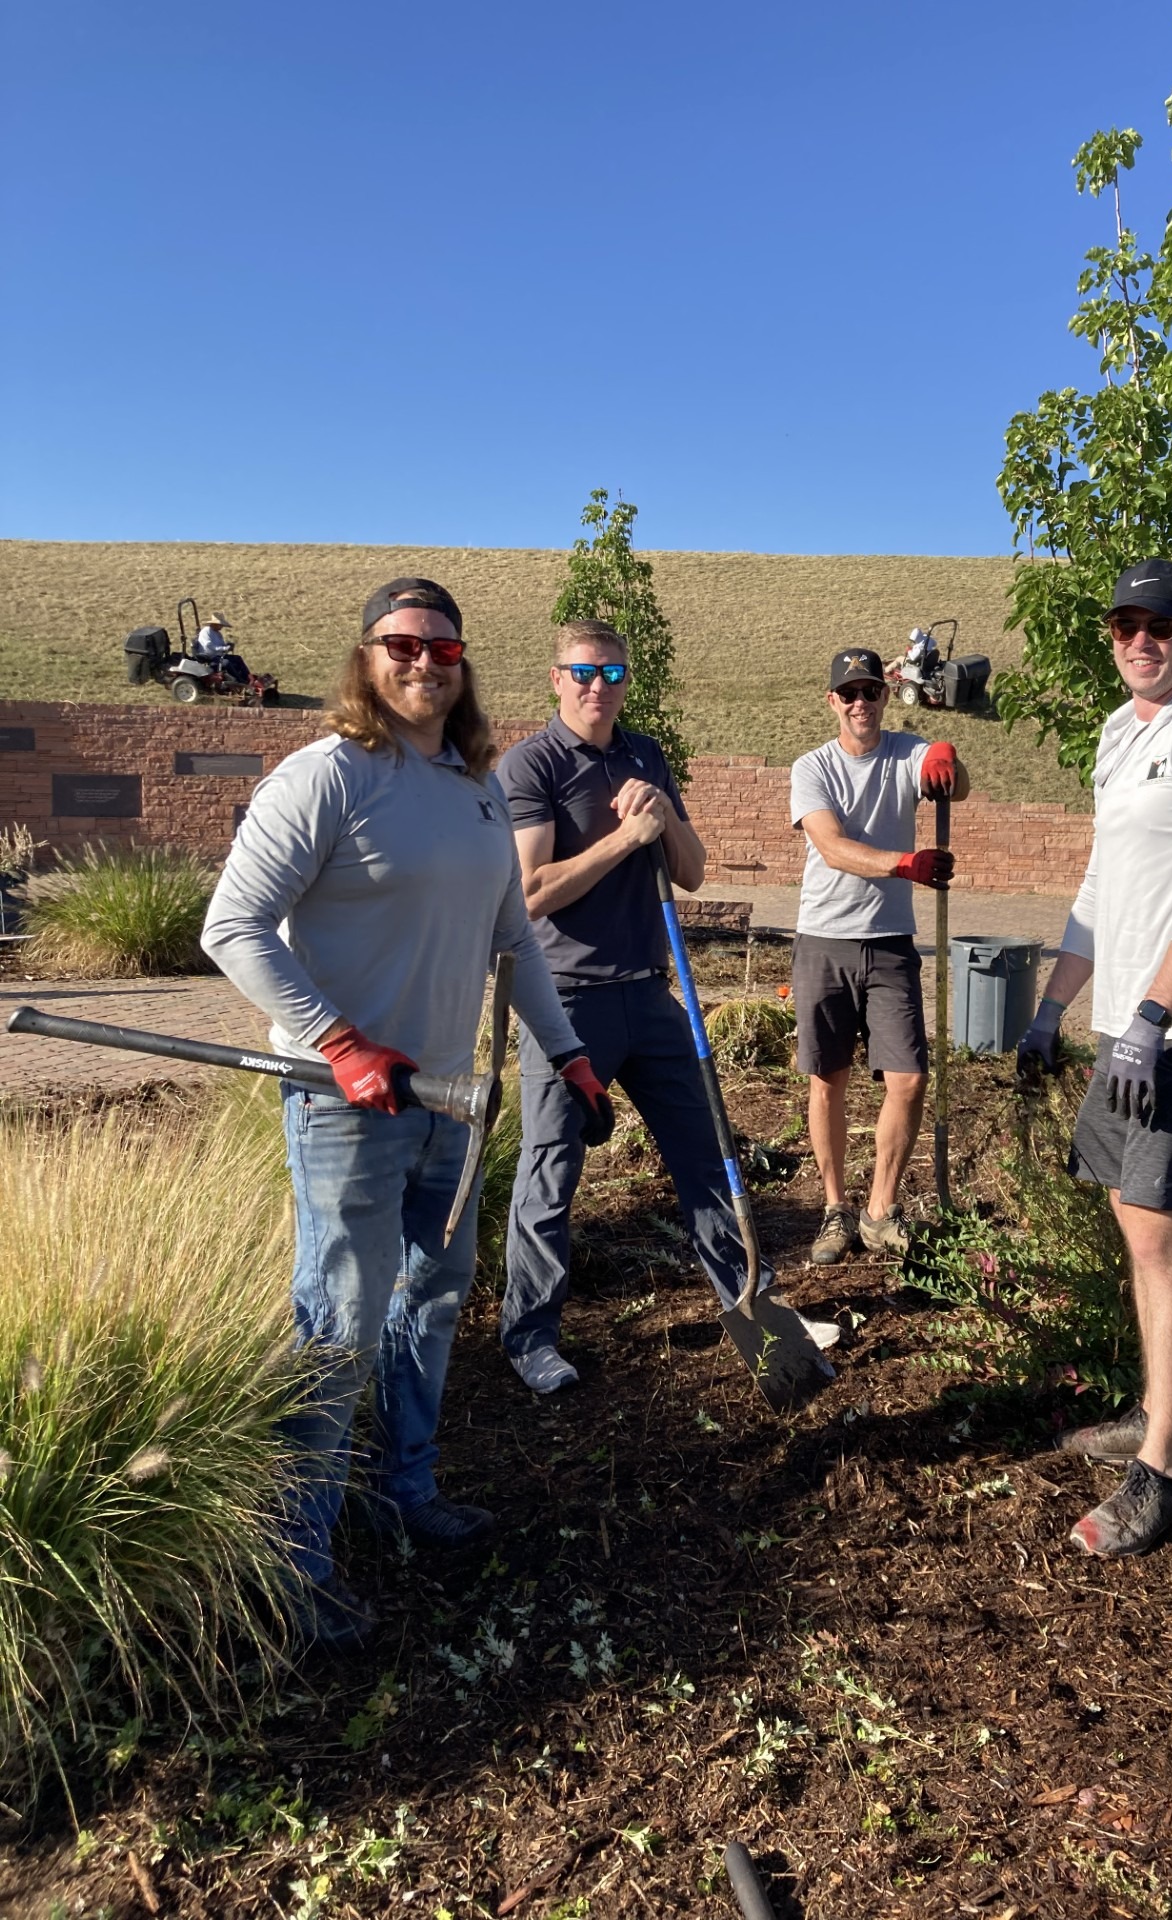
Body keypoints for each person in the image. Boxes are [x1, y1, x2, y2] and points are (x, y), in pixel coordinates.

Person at [201, 578, 611, 1649]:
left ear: (463, 661)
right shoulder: (327, 776)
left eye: (442, 646)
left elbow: (513, 942)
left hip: (449, 1107)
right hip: (347, 1104)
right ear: (367, 656)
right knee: (335, 1324)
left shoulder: (473, 787)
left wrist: (565, 1054)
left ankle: (405, 1494)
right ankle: (299, 1565)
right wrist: (337, 1041)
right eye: (402, 643)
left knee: (429, 1304)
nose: (424, 662)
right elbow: (232, 927)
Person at [497, 618, 829, 1393]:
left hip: (648, 995)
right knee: (550, 1173)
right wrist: (623, 839)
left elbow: (693, 874)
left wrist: (666, 817)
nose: (596, 687)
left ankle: (756, 1303)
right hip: (565, 1004)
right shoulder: (530, 765)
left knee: (709, 1150)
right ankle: (530, 1336)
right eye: (582, 672)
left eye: (612, 675)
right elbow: (532, 893)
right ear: (556, 678)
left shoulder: (644, 754)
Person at [1015, 557, 1172, 1559]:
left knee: (1164, 1237)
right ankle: (1155, 1407)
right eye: (1125, 623)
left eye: (1160, 624)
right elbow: (1099, 885)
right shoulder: (1122, 735)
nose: (1140, 639)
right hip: (1129, 1027)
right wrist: (1052, 1009)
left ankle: (1159, 1470)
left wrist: (1154, 1014)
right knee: (1134, 1217)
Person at [790, 647, 965, 1265]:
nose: (861, 703)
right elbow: (833, 848)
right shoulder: (811, 767)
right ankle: (836, 1208)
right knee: (826, 1081)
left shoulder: (905, 752)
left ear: (885, 696)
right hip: (824, 939)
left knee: (909, 1078)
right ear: (832, 701)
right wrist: (905, 864)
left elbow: (955, 785)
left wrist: (946, 757)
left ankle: (878, 1212)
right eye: (849, 693)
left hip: (890, 943)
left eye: (871, 691)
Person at [194, 611, 250, 685]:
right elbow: (209, 646)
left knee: (237, 658)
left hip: (218, 656)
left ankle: (248, 677)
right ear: (215, 624)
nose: (222, 627)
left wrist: (227, 646)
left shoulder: (218, 633)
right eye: (220, 625)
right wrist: (224, 648)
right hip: (209, 658)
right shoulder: (206, 632)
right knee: (226, 663)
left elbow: (221, 645)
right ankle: (240, 681)